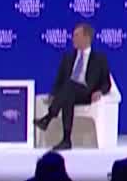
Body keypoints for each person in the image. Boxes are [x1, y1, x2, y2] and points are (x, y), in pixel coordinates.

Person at [35, 22, 113, 150]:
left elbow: (107, 83)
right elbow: (59, 80)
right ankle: (66, 140)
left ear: (87, 38)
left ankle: (48, 118)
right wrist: (53, 94)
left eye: (76, 35)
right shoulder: (68, 57)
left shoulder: (99, 58)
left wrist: (100, 91)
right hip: (68, 93)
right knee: (68, 93)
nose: (73, 39)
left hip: (87, 94)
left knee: (69, 86)